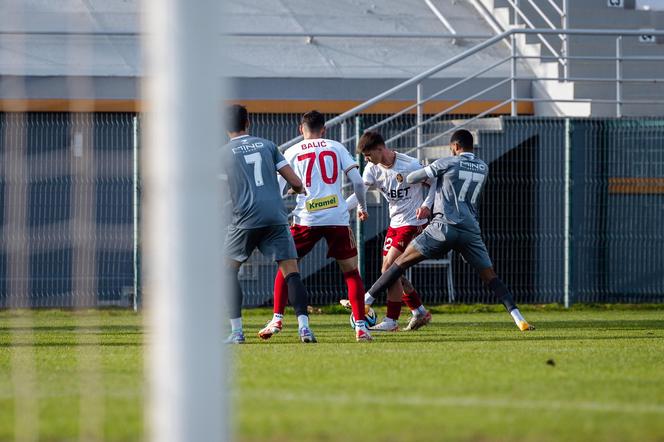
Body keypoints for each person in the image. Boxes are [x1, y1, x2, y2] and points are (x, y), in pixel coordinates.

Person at [363, 129, 535, 332]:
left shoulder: (447, 162)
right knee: (491, 277)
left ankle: (366, 301)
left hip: (443, 228)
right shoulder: (483, 167)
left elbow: (413, 178)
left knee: (397, 264)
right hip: (470, 230)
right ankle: (519, 318)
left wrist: (405, 175)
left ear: (455, 147)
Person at [257, 110, 373, 342]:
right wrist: (362, 206)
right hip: (336, 218)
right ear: (325, 129)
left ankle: (277, 319)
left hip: (306, 218)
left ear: (301, 129)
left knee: (287, 266)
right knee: (351, 272)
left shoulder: (291, 151)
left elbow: (278, 190)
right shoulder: (336, 146)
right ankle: (360, 326)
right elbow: (358, 182)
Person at [221, 104, 316, 344]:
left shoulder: (222, 153)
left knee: (227, 271)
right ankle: (304, 328)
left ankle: (237, 332)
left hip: (245, 217)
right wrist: (299, 189)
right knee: (291, 272)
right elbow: (294, 181)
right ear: (248, 122)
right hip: (275, 216)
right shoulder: (268, 146)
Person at [341, 131, 434, 331]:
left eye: (368, 155)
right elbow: (360, 193)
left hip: (414, 222)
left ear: (380, 149)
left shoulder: (410, 165)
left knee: (389, 268)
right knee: (393, 272)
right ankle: (419, 311)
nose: (366, 159)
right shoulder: (372, 169)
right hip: (395, 224)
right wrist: (345, 209)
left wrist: (427, 204)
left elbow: (435, 184)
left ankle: (389, 318)